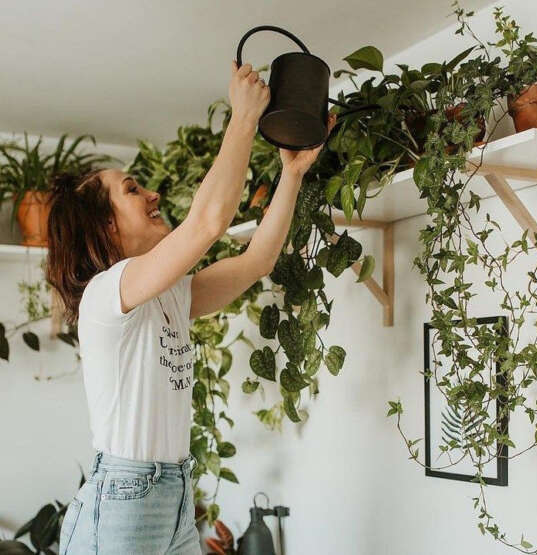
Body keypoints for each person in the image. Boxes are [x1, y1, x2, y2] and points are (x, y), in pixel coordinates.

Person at [45, 58, 336, 555]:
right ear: (106, 226)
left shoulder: (169, 296)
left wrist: (292, 173)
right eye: (132, 190)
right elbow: (206, 223)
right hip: (124, 503)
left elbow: (257, 261)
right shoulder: (105, 295)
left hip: (174, 494)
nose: (153, 193)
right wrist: (244, 118)